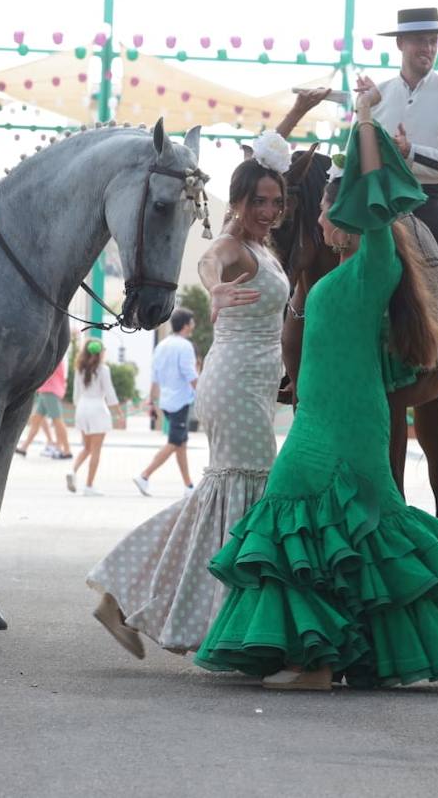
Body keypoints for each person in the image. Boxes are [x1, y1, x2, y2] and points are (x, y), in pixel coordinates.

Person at [193, 77, 438, 691]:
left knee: (305, 517)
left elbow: (376, 198)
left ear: (350, 216)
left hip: (342, 427)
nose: (315, 217)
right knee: (364, 532)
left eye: (324, 209)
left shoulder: (374, 265)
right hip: (324, 417)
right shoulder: (330, 280)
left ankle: (315, 661)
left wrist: (365, 120)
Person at [87, 133, 291, 658]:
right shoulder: (230, 246)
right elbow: (208, 264)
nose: (267, 210)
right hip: (235, 382)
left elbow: (268, 158)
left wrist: (296, 116)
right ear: (238, 204)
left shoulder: (262, 247)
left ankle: (125, 593)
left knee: (223, 497)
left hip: (256, 382)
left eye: (275, 201)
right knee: (237, 495)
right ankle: (209, 618)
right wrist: (213, 287)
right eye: (256, 202)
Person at [371, 8, 438, 415]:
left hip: (429, 197)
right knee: (322, 249)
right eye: (419, 40)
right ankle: (303, 357)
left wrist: (409, 152)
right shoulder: (375, 95)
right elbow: (360, 147)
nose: (428, 48)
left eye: (433, 40)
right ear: (400, 44)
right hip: (380, 197)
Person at [134, 309, 200, 496]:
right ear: (186, 325)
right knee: (174, 442)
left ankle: (188, 486)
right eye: (192, 322)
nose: (193, 325)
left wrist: (152, 401)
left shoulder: (161, 345)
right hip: (180, 400)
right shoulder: (185, 346)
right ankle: (144, 476)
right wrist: (202, 393)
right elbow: (190, 374)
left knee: (181, 444)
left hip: (166, 400)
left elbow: (154, 377)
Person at [66, 339, 124, 497]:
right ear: (100, 352)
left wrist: (78, 408)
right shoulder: (103, 369)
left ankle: (72, 470)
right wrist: (119, 412)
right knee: (96, 450)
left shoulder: (79, 368)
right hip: (97, 408)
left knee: (86, 447)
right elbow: (110, 393)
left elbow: (76, 394)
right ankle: (89, 486)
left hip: (82, 407)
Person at [15, 358, 72, 459]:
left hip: (50, 390)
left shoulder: (54, 356)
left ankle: (67, 451)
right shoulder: (53, 355)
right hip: (46, 390)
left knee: (57, 420)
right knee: (36, 420)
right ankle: (24, 447)